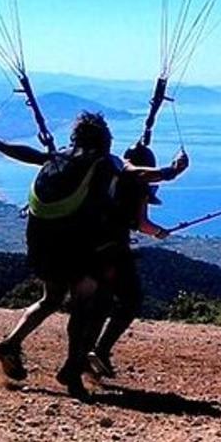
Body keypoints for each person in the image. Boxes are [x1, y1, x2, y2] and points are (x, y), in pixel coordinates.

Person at [0, 110, 187, 399]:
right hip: (75, 245)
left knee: (51, 298)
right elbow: (136, 173)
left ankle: (11, 344)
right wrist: (171, 171)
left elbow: (29, 155)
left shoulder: (61, 156)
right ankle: (72, 372)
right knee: (84, 304)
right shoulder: (105, 162)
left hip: (41, 240)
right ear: (104, 138)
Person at [86, 141, 174, 379]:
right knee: (130, 299)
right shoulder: (139, 186)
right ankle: (100, 350)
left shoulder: (108, 176)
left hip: (87, 243)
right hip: (113, 248)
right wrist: (159, 232)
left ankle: (82, 356)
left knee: (97, 301)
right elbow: (142, 223)